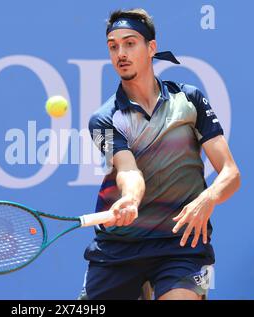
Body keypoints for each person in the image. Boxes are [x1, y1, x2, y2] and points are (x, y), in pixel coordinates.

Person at [78, 8, 241, 300]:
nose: (120, 53)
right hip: (119, 249)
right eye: (113, 46)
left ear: (151, 47)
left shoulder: (189, 99)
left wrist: (208, 198)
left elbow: (230, 172)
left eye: (130, 43)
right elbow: (127, 169)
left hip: (181, 243)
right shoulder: (102, 119)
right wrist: (129, 199)